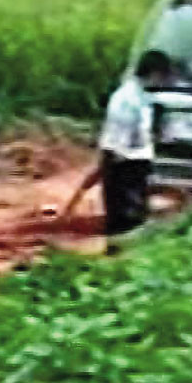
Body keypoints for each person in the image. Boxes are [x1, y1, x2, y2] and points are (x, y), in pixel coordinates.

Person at [63, 49, 175, 245]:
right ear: (155, 73)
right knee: (125, 218)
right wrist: (113, 162)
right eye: (164, 77)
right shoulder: (128, 99)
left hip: (134, 164)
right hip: (124, 164)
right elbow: (118, 136)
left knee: (135, 216)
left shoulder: (142, 97)